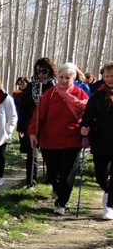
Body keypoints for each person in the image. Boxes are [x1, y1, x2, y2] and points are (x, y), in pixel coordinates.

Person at [29, 62, 88, 215]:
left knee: (68, 173)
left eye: (67, 78)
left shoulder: (80, 94)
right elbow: (38, 116)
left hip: (72, 140)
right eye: (61, 77)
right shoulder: (49, 94)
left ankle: (61, 202)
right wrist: (33, 133)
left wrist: (87, 128)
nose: (63, 80)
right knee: (53, 172)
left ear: (73, 78)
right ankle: (57, 188)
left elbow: (89, 114)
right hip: (50, 140)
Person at [16, 57, 57, 188]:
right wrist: (21, 126)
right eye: (38, 71)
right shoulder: (31, 86)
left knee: (49, 155)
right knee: (31, 153)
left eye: (44, 71)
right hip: (31, 124)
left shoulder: (54, 87)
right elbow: (23, 107)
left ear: (50, 71)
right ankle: (30, 182)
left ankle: (52, 180)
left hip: (49, 125)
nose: (41, 74)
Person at [80, 61, 113, 220]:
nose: (109, 79)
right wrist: (85, 126)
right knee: (101, 175)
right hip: (101, 138)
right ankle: (107, 192)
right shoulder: (97, 95)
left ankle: (109, 206)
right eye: (106, 76)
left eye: (112, 76)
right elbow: (87, 115)